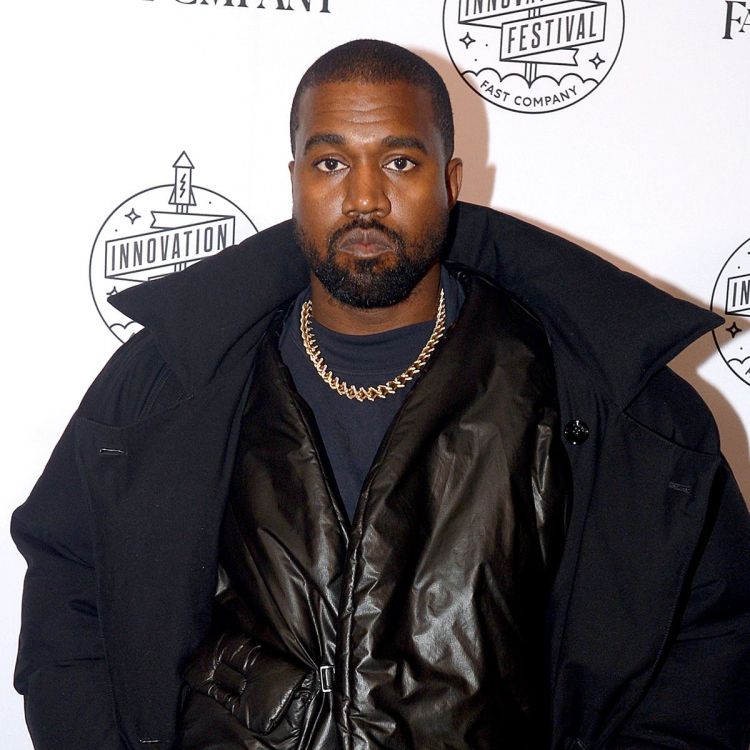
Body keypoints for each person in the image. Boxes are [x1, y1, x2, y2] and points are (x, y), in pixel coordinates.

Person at [12, 39, 750, 750]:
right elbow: (70, 587)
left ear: (451, 182)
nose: (364, 198)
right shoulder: (169, 382)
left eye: (400, 161)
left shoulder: (603, 399)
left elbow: (708, 642)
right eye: (331, 162)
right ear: (295, 178)